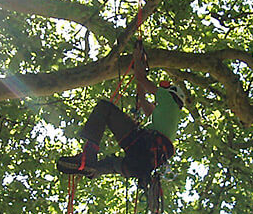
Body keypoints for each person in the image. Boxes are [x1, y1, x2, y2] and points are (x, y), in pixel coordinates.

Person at [56, 46, 185, 185]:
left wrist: (136, 58)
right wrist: (138, 66)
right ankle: (91, 169)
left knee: (105, 108)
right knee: (109, 164)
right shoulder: (167, 117)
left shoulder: (169, 98)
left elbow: (142, 79)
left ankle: (88, 156)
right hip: (142, 164)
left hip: (142, 146)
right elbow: (142, 98)